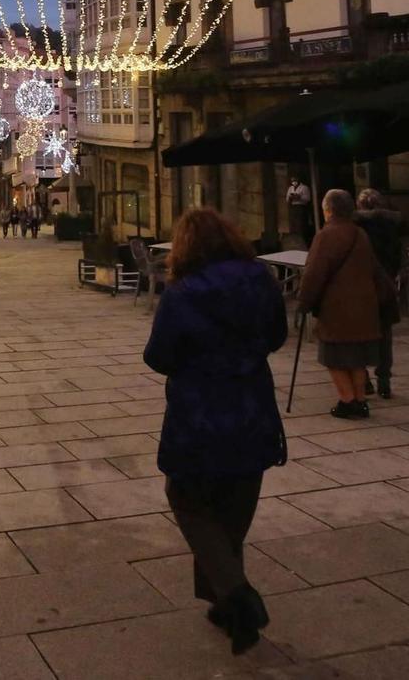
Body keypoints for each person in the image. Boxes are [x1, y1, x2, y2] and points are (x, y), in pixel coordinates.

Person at [143, 208, 289, 656]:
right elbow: (277, 335)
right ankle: (227, 607)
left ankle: (237, 597)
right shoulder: (261, 279)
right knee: (232, 509)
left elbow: (159, 356)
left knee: (186, 498)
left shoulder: (182, 293)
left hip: (200, 412)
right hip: (250, 407)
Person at [297, 189, 396, 420]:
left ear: (328, 210)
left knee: (335, 357)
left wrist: (304, 301)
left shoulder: (326, 235)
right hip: (364, 305)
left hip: (337, 308)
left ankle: (347, 400)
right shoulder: (360, 233)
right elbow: (374, 268)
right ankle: (360, 400)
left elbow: (314, 272)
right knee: (357, 357)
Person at [355, 188, 405, 400]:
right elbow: (399, 257)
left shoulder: (357, 227)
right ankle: (384, 381)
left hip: (362, 287)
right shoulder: (393, 226)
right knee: (384, 336)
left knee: (359, 335)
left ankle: (363, 379)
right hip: (386, 286)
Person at [284, 175, 314, 251]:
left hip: (301, 207)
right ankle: (295, 244)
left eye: (295, 179)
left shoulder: (304, 188)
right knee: (293, 226)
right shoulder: (290, 188)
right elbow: (287, 199)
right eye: (292, 180)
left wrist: (299, 197)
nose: (293, 181)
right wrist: (291, 198)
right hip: (293, 207)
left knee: (301, 225)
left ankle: (304, 244)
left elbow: (307, 199)